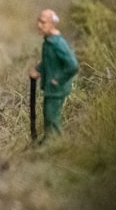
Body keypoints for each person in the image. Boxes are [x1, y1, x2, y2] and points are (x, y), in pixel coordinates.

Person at [29, 8, 79, 139]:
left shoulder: (58, 44)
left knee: (52, 116)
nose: (39, 25)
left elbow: (72, 65)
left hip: (57, 88)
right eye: (39, 21)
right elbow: (48, 61)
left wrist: (58, 80)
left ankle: (57, 142)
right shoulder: (48, 41)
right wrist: (38, 70)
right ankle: (48, 140)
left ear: (52, 24)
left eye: (43, 22)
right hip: (51, 87)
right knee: (48, 114)